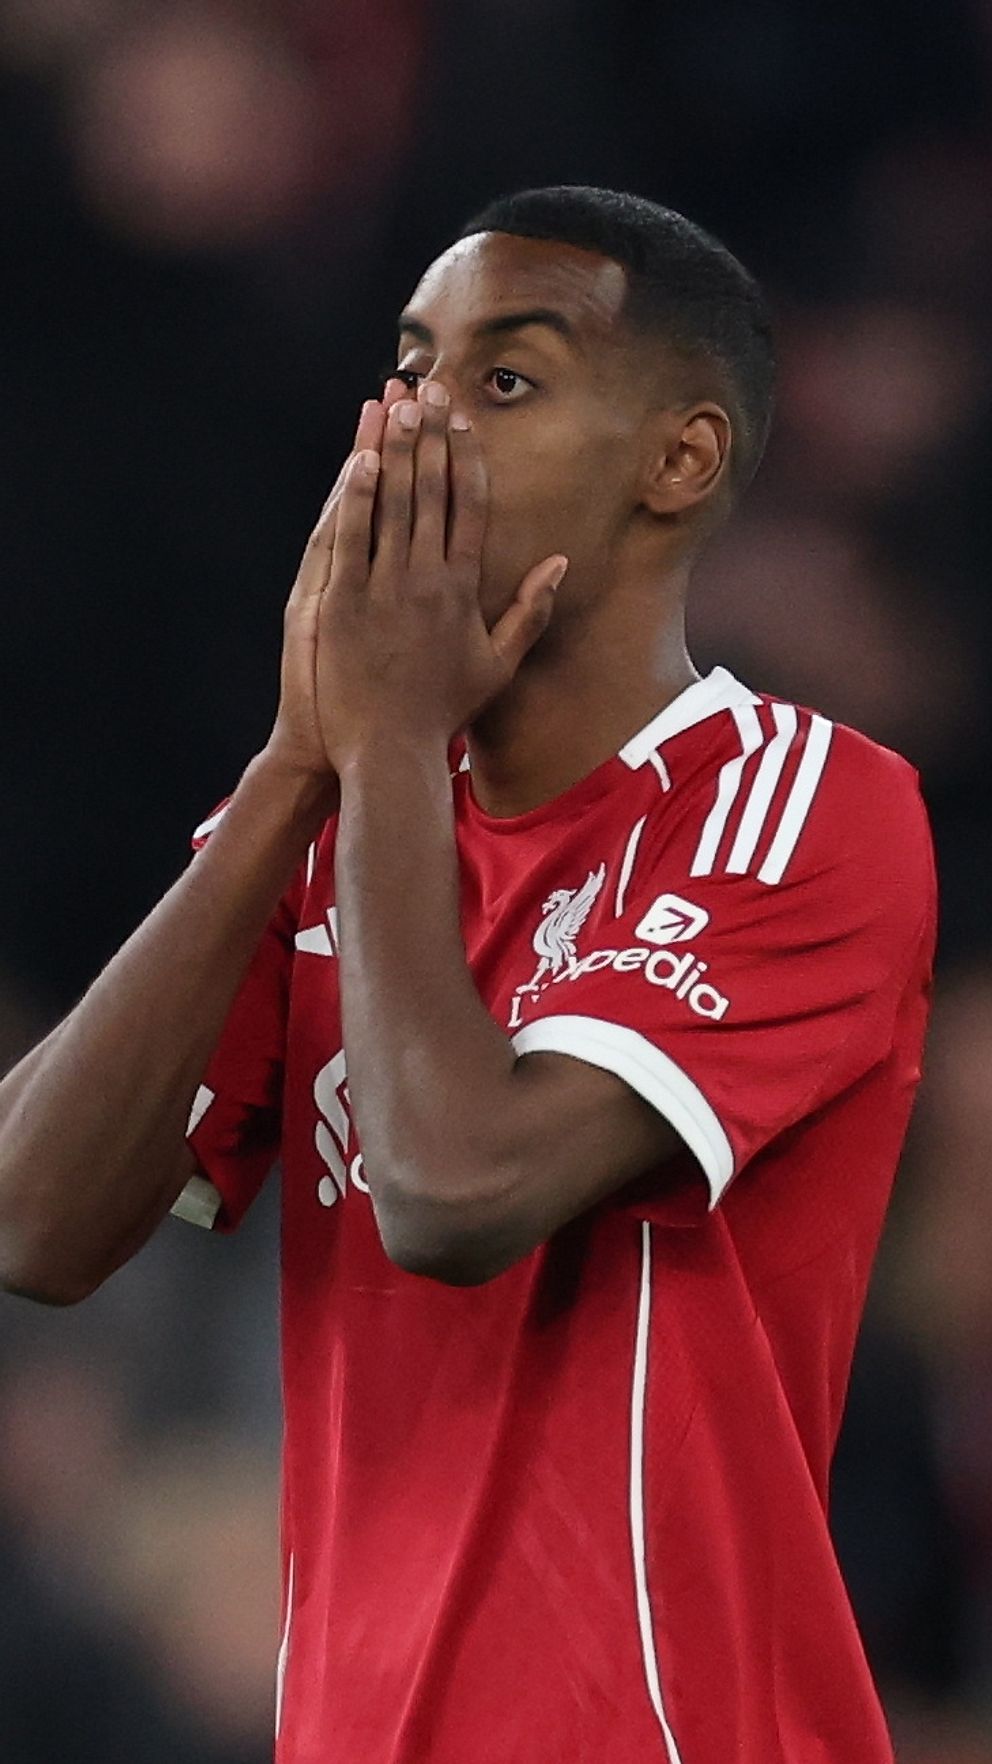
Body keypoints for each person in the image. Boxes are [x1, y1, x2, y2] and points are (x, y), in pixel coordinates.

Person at [0, 186, 935, 1763]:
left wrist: (375, 747)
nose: (418, 422)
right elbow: (32, 1225)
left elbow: (452, 1192)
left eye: (506, 378)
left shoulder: (795, 808)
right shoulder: (337, 813)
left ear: (679, 461)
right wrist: (298, 765)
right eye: (410, 366)